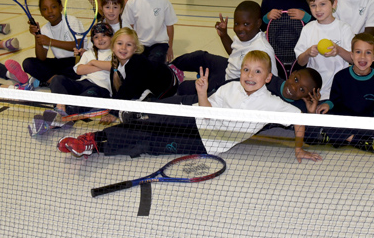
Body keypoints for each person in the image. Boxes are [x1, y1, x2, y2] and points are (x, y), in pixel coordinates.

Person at [56, 51, 323, 163]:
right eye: (246, 70)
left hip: (208, 143)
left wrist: (299, 147)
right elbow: (206, 111)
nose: (249, 75)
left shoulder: (272, 103)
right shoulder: (230, 88)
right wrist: (203, 93)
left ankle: (101, 143)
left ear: (268, 78)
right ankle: (92, 140)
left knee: (150, 144)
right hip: (196, 119)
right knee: (151, 121)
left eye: (257, 72)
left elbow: (299, 119)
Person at [172, 0, 277, 95]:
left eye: (246, 24)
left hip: (234, 85)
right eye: (237, 23)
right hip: (229, 68)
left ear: (258, 23)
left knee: (184, 88)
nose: (240, 28)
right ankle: (171, 67)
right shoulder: (246, 36)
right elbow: (234, 52)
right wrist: (224, 35)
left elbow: (273, 81)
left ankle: (174, 86)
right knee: (200, 56)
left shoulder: (263, 49)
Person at [306, 33, 374, 154]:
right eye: (358, 52)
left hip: (364, 121)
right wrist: (328, 104)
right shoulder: (340, 77)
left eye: (368, 53)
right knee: (324, 117)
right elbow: (335, 100)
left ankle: (342, 137)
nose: (363, 57)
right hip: (345, 118)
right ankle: (359, 141)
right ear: (352, 55)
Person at [29, 23, 116, 136]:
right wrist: (102, 66)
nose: (100, 39)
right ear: (93, 41)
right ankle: (60, 109)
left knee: (80, 102)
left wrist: (92, 63)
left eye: (104, 35)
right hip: (82, 83)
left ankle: (52, 121)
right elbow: (79, 70)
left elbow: (113, 66)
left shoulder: (116, 52)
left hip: (100, 88)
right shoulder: (89, 53)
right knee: (57, 79)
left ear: (112, 37)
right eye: (96, 37)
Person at [5, 0, 82, 88]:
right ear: (41, 13)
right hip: (60, 63)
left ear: (61, 7)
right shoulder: (45, 29)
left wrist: (50, 41)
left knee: (80, 71)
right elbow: (41, 58)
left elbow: (79, 45)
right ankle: (56, 81)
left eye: (53, 7)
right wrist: (37, 35)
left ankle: (51, 80)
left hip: (78, 61)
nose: (50, 11)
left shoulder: (72, 21)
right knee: (28, 63)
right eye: (45, 9)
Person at [293, 0, 354, 99]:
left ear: (334, 4)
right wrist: (307, 53)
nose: (318, 9)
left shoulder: (344, 28)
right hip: (314, 89)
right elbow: (300, 62)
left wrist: (338, 50)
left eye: (322, 4)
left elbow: (352, 59)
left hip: (339, 89)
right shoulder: (308, 29)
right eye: (313, 5)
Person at [121, 0, 177, 64]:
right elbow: (129, 27)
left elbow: (170, 26)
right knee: (136, 65)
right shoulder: (132, 2)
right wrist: (128, 46)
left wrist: (170, 47)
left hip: (159, 44)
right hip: (139, 44)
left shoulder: (164, 2)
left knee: (154, 63)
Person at [108, 27, 179, 101]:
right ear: (112, 47)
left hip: (167, 83)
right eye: (119, 43)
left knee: (148, 102)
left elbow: (125, 93)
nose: (123, 47)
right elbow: (116, 92)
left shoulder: (137, 63)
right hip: (144, 84)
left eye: (128, 45)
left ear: (135, 49)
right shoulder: (115, 64)